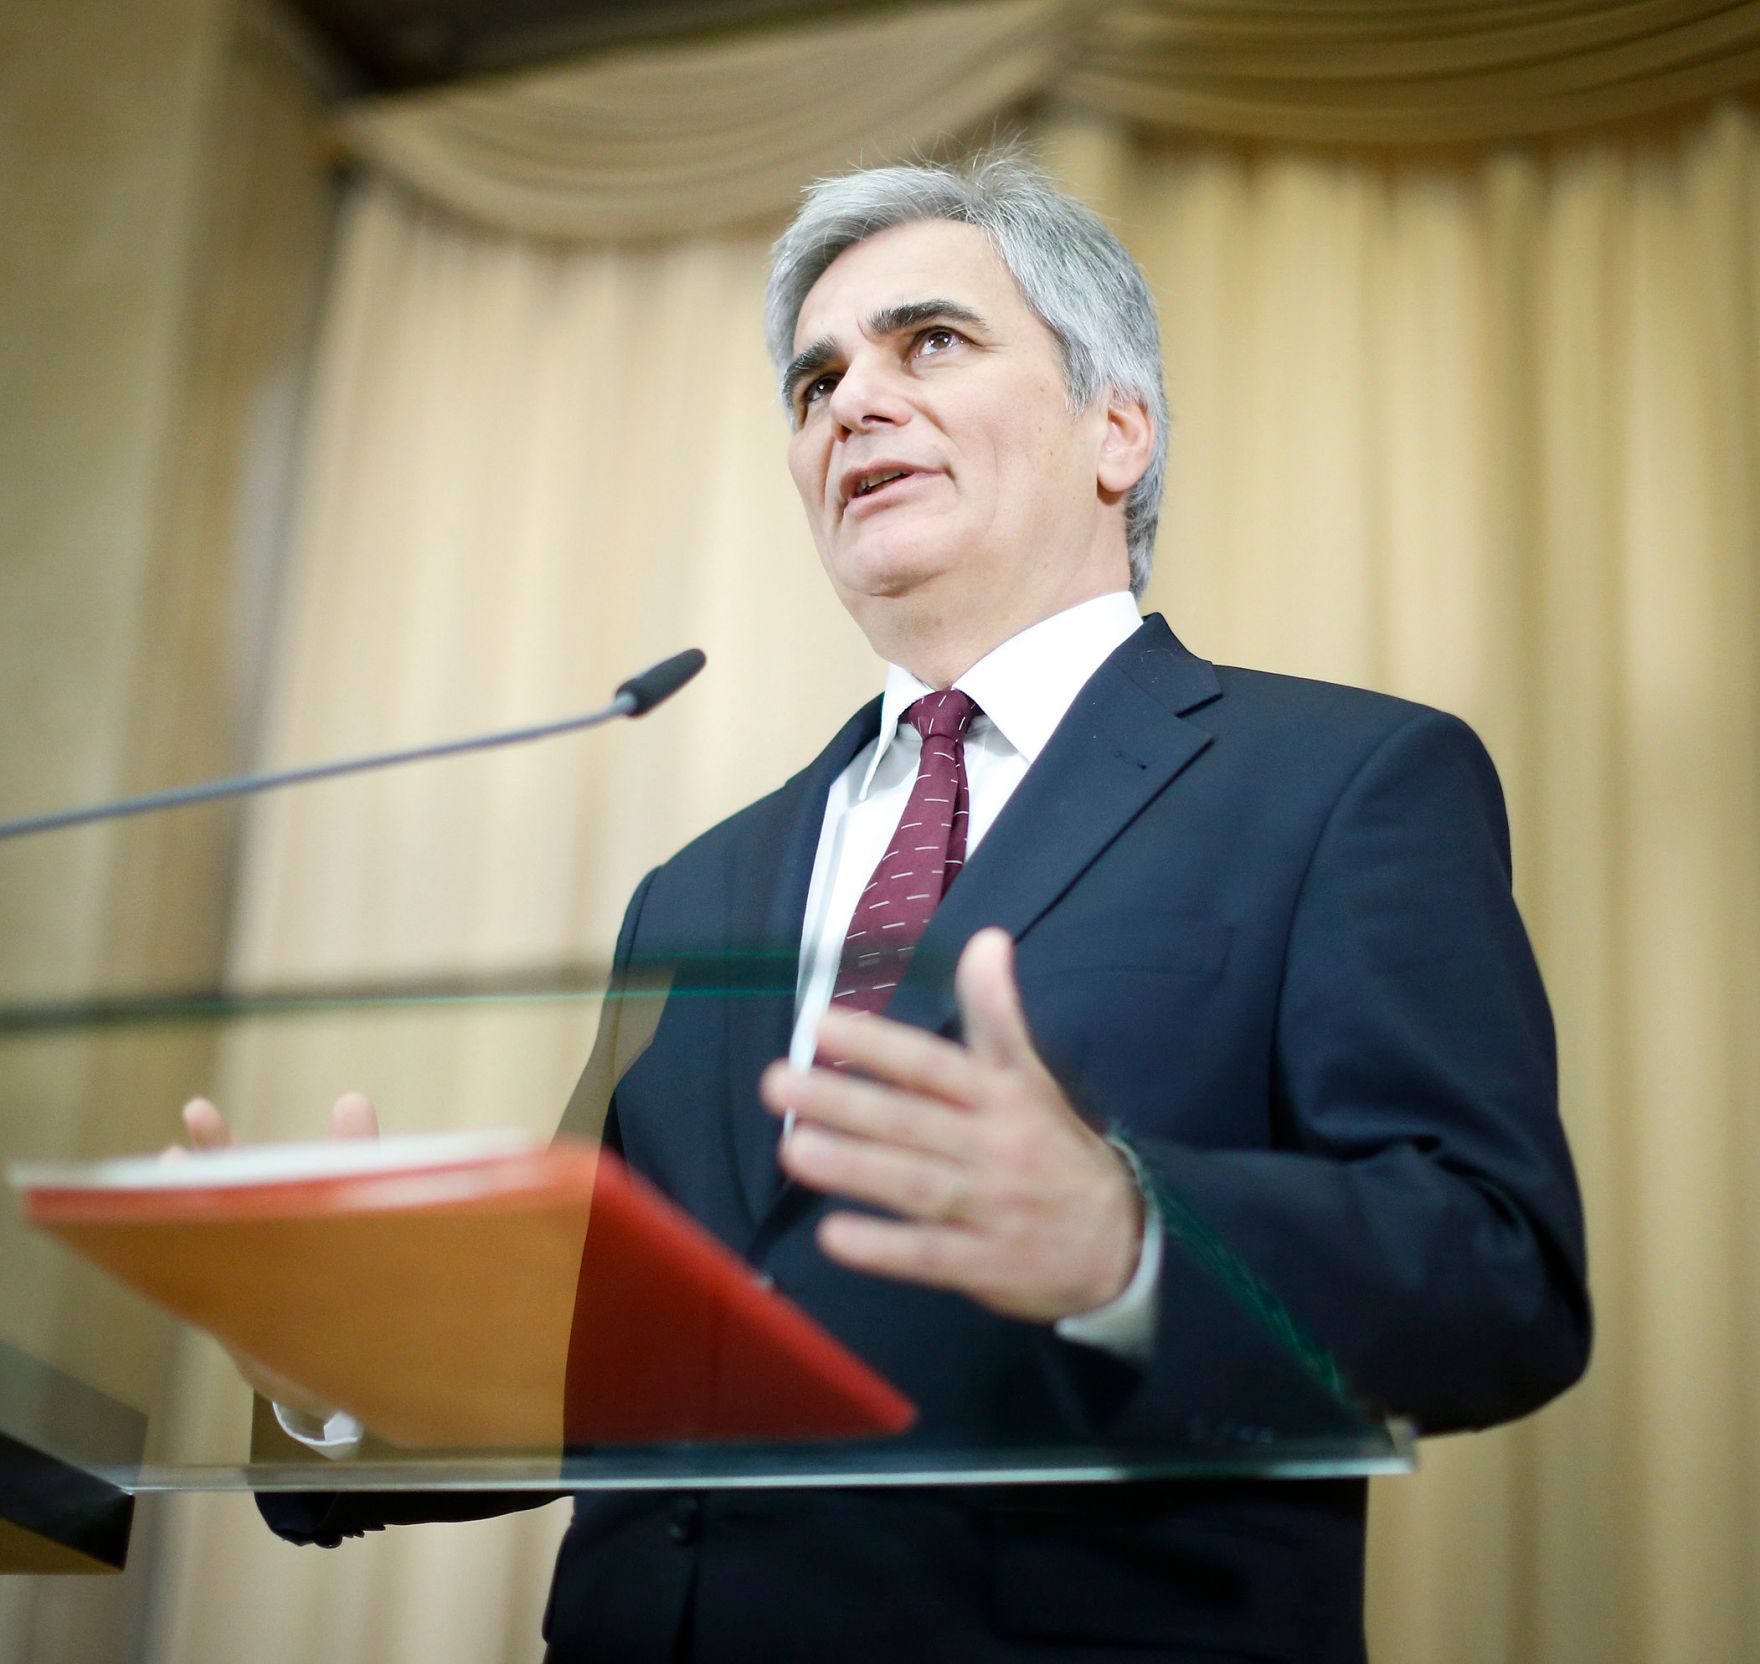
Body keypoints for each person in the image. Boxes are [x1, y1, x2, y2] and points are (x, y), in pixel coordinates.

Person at [197, 152, 1589, 1663]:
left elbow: (1495, 1273)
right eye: (815, 382)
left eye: (929, 342)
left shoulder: (1342, 783)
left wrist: (1132, 1239)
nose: (852, 401)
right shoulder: (700, 886)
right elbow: (605, 1355)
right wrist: (354, 1372)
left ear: (1116, 428)